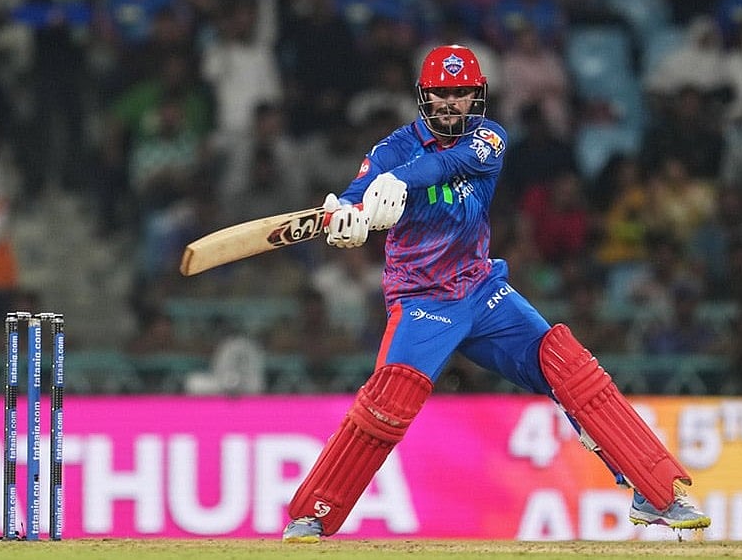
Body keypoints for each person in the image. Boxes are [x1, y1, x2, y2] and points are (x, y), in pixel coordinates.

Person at [281, 45, 711, 543]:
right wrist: (347, 218)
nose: (451, 104)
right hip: (422, 300)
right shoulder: (389, 150)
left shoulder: (489, 138)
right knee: (388, 400)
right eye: (442, 94)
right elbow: (355, 199)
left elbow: (446, 167)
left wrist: (395, 184)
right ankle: (313, 514)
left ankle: (656, 493)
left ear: (477, 97)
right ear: (424, 98)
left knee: (566, 363)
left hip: (482, 290)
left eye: (462, 94)